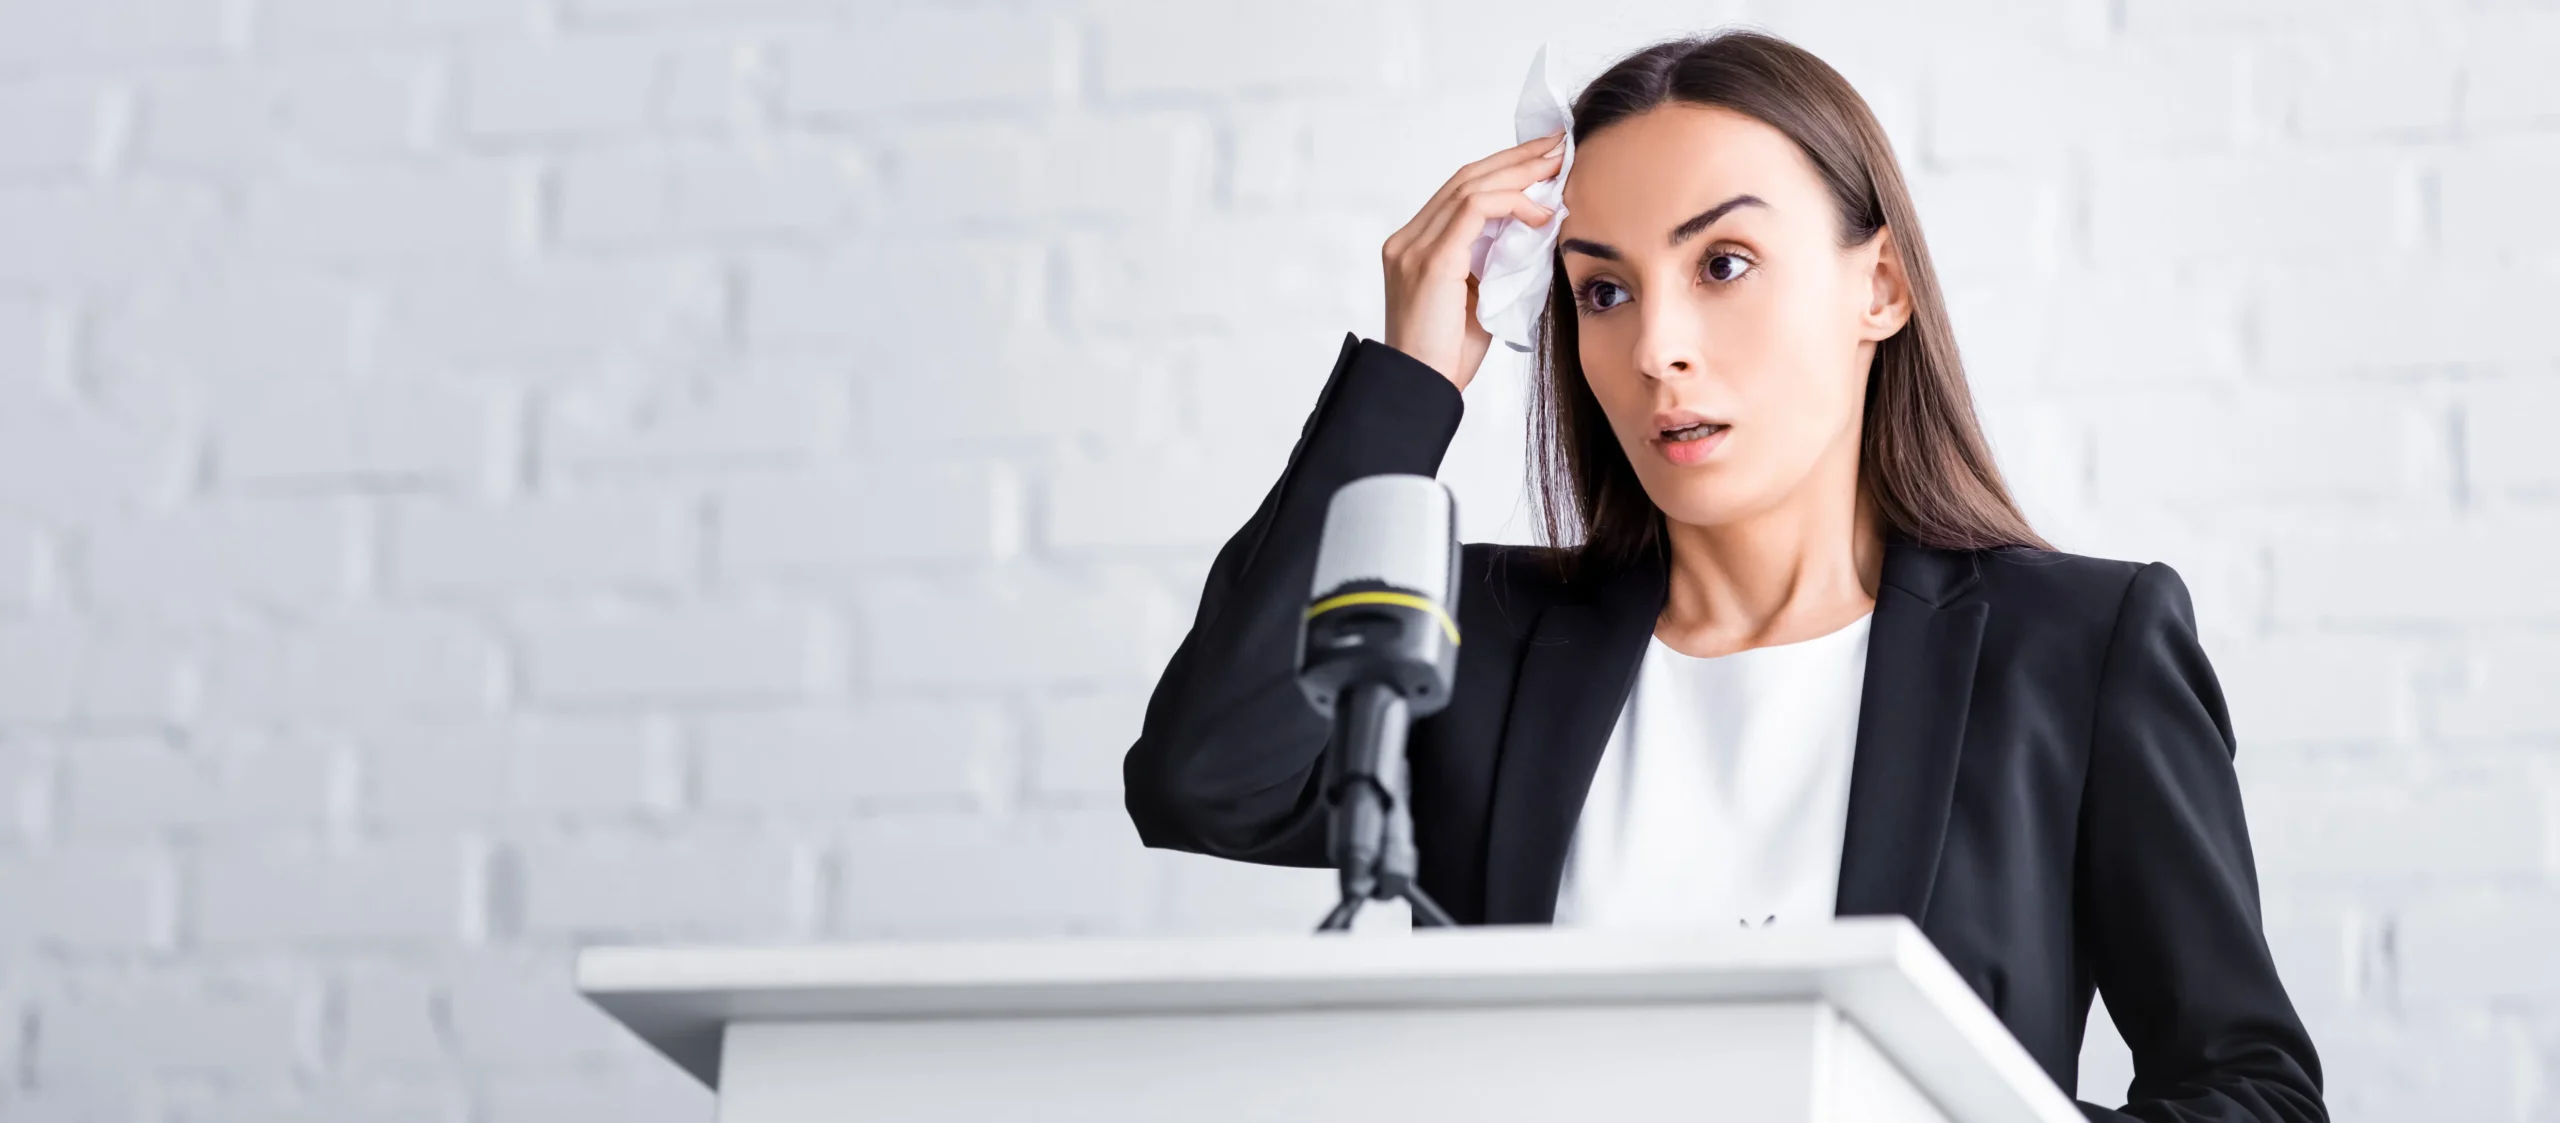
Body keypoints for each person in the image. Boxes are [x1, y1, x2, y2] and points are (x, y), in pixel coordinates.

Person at [1120, 28, 2322, 1123]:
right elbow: (1204, 779)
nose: (1656, 348)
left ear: (1881, 287)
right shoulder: (1478, 635)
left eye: (1725, 263)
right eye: (1603, 289)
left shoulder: (2076, 646)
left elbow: (2251, 1093)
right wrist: (1411, 376)